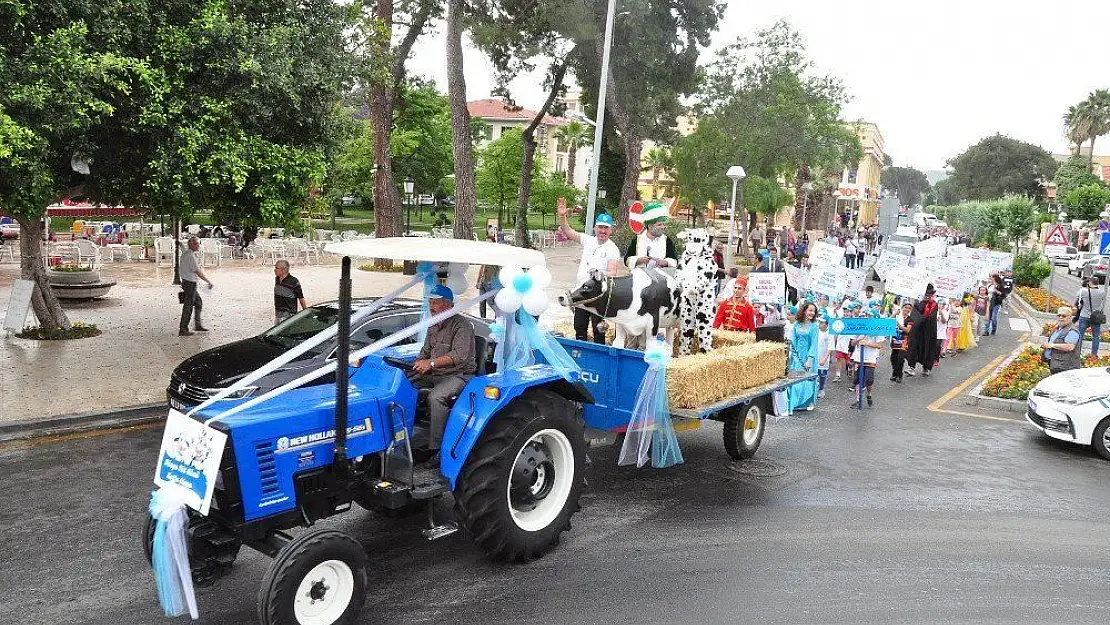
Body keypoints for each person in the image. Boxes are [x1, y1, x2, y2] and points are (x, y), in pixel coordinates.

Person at [409, 284, 476, 468]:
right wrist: (417, 364)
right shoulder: (432, 327)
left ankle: (438, 450)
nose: (431, 307)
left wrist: (430, 363)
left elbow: (459, 356)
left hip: (459, 375)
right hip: (435, 374)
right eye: (430, 302)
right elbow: (425, 351)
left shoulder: (462, 326)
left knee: (436, 397)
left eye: (436, 303)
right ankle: (408, 440)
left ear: (449, 305)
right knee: (404, 385)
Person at [557, 199, 621, 343]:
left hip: (598, 296)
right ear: (595, 228)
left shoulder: (612, 249)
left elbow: (613, 272)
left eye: (606, 228)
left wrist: (599, 274)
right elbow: (568, 232)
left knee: (599, 330)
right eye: (600, 227)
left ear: (610, 230)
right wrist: (562, 216)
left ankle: (599, 357)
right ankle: (580, 353)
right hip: (581, 293)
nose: (603, 231)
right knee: (579, 327)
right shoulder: (588, 240)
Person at [624, 202, 677, 271]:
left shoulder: (667, 240)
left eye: (664, 224)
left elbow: (675, 261)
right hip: (639, 276)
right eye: (659, 225)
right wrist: (638, 260)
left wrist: (665, 262)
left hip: (661, 277)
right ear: (650, 226)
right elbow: (627, 260)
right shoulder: (637, 239)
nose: (663, 227)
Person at [787, 302, 820, 412]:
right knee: (796, 379)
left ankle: (807, 402)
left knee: (808, 379)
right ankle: (795, 403)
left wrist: (810, 359)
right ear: (804, 310)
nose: (812, 313)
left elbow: (814, 343)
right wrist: (794, 354)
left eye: (814, 311)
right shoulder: (797, 324)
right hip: (797, 355)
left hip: (809, 356)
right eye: (810, 310)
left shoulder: (814, 326)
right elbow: (794, 340)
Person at [178, 236, 212, 336]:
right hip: (190, 284)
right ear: (192, 245)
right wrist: (208, 281)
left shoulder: (186, 253)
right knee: (188, 306)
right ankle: (183, 329)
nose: (198, 245)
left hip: (187, 282)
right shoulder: (190, 256)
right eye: (197, 243)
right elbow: (198, 272)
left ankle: (197, 325)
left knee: (198, 303)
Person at [848, 321, 886, 407]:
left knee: (869, 380)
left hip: (870, 358)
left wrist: (867, 343)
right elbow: (852, 343)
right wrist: (858, 339)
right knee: (857, 379)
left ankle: (868, 394)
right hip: (858, 358)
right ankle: (858, 400)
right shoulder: (859, 328)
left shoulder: (877, 329)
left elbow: (879, 345)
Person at [906, 284, 940, 376]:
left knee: (928, 348)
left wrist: (922, 318)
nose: (927, 296)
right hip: (918, 331)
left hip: (929, 331)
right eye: (926, 294)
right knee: (914, 347)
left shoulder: (934, 305)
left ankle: (926, 367)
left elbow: (931, 317)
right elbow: (914, 316)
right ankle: (911, 367)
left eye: (929, 295)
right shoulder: (919, 303)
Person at [1043, 306, 1082, 374]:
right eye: (1059, 315)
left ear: (1070, 317)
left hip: (1065, 367)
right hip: (1055, 364)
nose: (1060, 318)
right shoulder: (1058, 328)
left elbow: (1070, 347)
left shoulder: (1072, 331)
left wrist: (1051, 345)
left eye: (1064, 316)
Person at [1075, 276, 1105, 357]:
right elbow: (1101, 302)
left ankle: (1077, 353)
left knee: (1080, 335)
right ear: (1097, 283)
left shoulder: (1083, 291)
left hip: (1084, 316)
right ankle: (1094, 355)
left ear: (1090, 282)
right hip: (1095, 317)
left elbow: (1078, 299)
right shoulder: (1102, 292)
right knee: (1096, 336)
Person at [273, 260, 306, 325]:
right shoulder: (277, 279)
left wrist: (305, 311)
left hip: (289, 315)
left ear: (284, 270)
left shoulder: (294, 281)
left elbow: (301, 297)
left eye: (277, 268)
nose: (274, 270)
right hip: (278, 314)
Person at [890, 303, 913, 382]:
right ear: (902, 308)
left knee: (900, 358)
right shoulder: (897, 316)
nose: (907, 309)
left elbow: (907, 330)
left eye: (909, 308)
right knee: (893, 358)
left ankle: (899, 375)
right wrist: (894, 314)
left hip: (904, 340)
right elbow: (888, 321)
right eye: (905, 307)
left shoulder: (910, 319)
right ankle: (895, 372)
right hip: (895, 339)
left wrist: (898, 324)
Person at [816, 316, 831, 397]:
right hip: (815, 357)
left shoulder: (829, 333)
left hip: (823, 358)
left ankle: (821, 389)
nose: (820, 324)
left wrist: (825, 359)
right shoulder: (816, 331)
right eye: (819, 322)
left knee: (822, 374)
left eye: (822, 323)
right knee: (814, 374)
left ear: (827, 324)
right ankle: (814, 389)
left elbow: (830, 348)